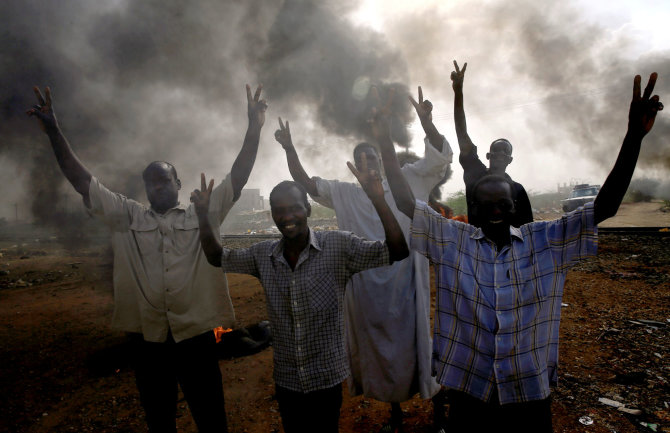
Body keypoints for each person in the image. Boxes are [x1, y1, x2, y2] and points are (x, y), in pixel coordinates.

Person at [375, 72, 662, 433]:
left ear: (515, 206)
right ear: (472, 210)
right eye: (485, 205)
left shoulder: (545, 242)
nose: (495, 211)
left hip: (527, 391)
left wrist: (634, 137)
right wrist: (384, 139)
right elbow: (405, 200)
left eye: (503, 204)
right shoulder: (453, 241)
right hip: (469, 388)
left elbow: (603, 207)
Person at [26, 84, 268, 433]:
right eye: (151, 182)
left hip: (196, 337)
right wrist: (53, 129)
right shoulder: (127, 216)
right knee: (159, 417)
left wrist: (254, 127)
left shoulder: (202, 212)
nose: (157, 186)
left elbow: (240, 174)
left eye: (163, 179)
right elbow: (83, 181)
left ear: (178, 183)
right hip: (148, 341)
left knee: (211, 416)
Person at [190, 152, 410, 433]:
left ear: (308, 209)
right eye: (279, 210)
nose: (287, 217)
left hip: (325, 379)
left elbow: (397, 251)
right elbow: (216, 257)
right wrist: (202, 215)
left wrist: (377, 198)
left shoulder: (337, 247)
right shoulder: (263, 255)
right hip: (287, 380)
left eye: (294, 208)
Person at [276, 86, 453, 432]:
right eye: (361, 159)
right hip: (368, 293)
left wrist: (427, 124)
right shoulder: (345, 193)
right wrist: (289, 147)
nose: (368, 164)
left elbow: (440, 158)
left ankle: (438, 413)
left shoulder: (408, 182)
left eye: (373, 157)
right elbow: (305, 182)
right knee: (381, 352)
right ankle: (395, 413)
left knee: (416, 347)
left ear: (383, 159)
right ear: (354, 165)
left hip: (407, 286)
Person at [451, 60, 534, 227]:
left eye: (505, 152)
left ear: (510, 160)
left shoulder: (517, 191)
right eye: (497, 151)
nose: (500, 155)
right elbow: (461, 133)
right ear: (488, 155)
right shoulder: (475, 174)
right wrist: (458, 92)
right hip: (478, 248)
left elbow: (527, 229)